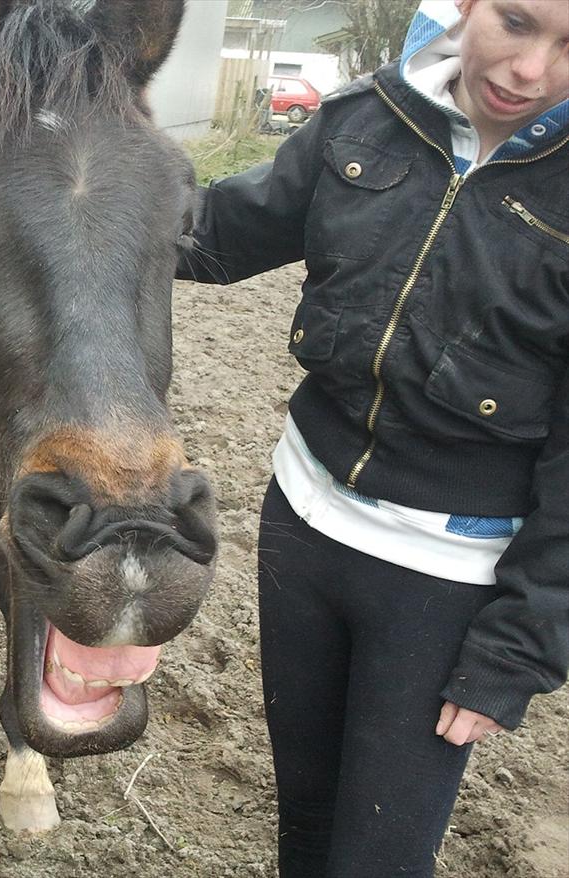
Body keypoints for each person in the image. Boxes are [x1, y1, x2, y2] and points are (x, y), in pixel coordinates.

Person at [175, 1, 568, 874]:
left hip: (445, 580)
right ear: (466, 6)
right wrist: (79, 182)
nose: (529, 70)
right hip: (302, 528)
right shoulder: (370, 116)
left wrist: (518, 648)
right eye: (516, 21)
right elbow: (211, 236)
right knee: (306, 825)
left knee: (378, 860)